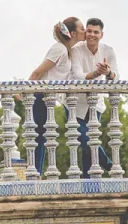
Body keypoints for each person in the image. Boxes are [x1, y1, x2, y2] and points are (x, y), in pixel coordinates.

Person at [28, 17, 86, 175]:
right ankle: (34, 174)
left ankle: (36, 173)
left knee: (43, 136)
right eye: (82, 28)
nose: (85, 31)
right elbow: (38, 71)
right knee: (39, 136)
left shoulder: (68, 51)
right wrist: (25, 91)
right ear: (73, 33)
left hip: (50, 100)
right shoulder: (59, 49)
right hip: (41, 96)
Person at [71, 17, 119, 176]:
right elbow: (77, 75)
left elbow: (116, 77)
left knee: (88, 148)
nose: (92, 35)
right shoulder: (77, 49)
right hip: (75, 103)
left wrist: (108, 73)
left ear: (101, 34)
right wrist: (95, 73)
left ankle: (88, 183)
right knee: (84, 139)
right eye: (89, 31)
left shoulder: (108, 50)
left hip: (95, 104)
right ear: (85, 31)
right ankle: (111, 166)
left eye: (95, 32)